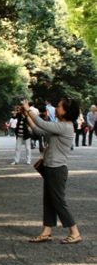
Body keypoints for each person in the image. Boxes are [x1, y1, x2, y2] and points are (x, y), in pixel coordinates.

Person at [22, 98, 82, 244]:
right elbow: (38, 130)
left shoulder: (66, 127)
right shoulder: (59, 125)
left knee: (58, 201)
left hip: (57, 169)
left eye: (59, 107)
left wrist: (29, 109)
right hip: (51, 168)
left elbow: (41, 123)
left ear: (66, 111)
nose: (56, 108)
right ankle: (47, 231)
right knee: (49, 201)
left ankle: (75, 232)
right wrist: (26, 116)